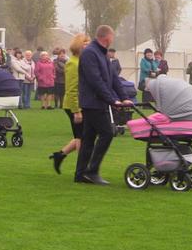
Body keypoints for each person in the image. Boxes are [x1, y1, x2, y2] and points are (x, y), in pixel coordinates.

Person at [75, 25, 131, 185]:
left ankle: (80, 174)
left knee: (88, 139)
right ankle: (91, 171)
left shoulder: (102, 53)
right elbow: (95, 81)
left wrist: (124, 97)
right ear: (106, 37)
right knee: (107, 133)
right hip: (93, 103)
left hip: (97, 102)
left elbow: (113, 78)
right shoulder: (90, 53)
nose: (112, 40)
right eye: (112, 37)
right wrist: (111, 100)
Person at [49, 34, 90, 174]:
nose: (88, 45)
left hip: (82, 103)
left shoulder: (82, 61)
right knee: (81, 137)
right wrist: (76, 110)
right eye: (85, 43)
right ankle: (82, 170)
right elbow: (72, 89)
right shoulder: (73, 63)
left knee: (81, 135)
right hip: (74, 105)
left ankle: (59, 155)